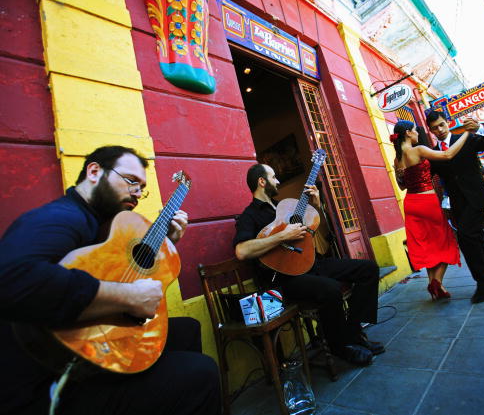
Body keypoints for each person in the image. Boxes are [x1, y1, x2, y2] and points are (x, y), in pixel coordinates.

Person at [0, 146, 221, 415]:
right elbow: (13, 279)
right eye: (131, 181)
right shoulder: (63, 217)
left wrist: (167, 244)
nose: (138, 193)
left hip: (84, 348)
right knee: (202, 373)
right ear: (94, 172)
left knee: (186, 329)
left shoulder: (102, 225)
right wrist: (129, 297)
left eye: (142, 187)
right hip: (48, 383)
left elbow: (115, 269)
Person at [233, 164, 383, 366]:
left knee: (369, 269)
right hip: (283, 279)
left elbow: (311, 231)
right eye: (274, 177)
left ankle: (354, 334)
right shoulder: (249, 216)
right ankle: (340, 347)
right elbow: (242, 251)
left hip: (311, 264)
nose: (278, 181)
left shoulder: (284, 206)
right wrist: (282, 236)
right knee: (330, 288)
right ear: (262, 181)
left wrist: (318, 204)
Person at [426, 111, 484, 303]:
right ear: (431, 131)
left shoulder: (465, 138)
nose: (440, 130)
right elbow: (425, 175)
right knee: (472, 242)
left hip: (478, 198)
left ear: (448, 123)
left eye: (442, 125)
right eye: (435, 128)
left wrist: (479, 128)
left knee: (466, 237)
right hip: (458, 203)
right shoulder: (434, 154)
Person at [391, 120, 465, 300]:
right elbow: (447, 155)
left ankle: (435, 286)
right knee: (445, 241)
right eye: (415, 131)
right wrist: (465, 134)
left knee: (428, 245)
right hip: (427, 201)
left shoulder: (397, 159)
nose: (417, 134)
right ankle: (437, 281)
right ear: (408, 133)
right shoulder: (418, 150)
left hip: (411, 203)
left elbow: (401, 187)